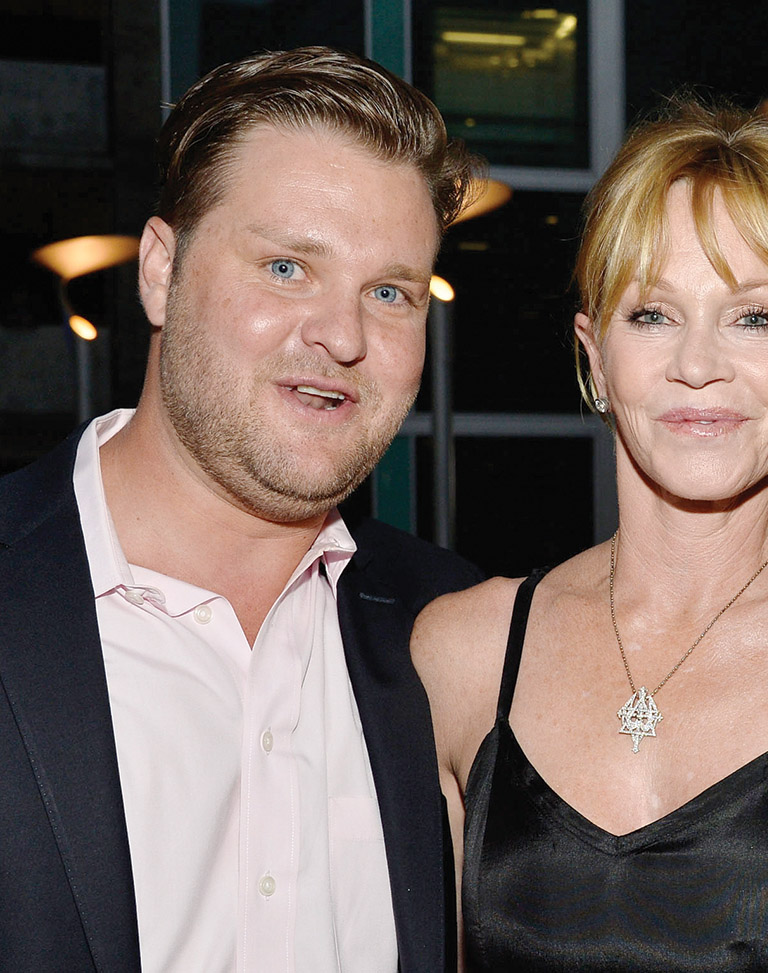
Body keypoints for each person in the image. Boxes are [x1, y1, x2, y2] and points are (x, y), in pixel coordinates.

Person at [412, 97, 768, 971]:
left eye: (753, 317)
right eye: (653, 313)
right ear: (594, 357)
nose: (698, 363)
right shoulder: (460, 652)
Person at [0, 48, 482, 972]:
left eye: (390, 292)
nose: (342, 336)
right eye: (287, 267)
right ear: (158, 270)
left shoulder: (453, 635)